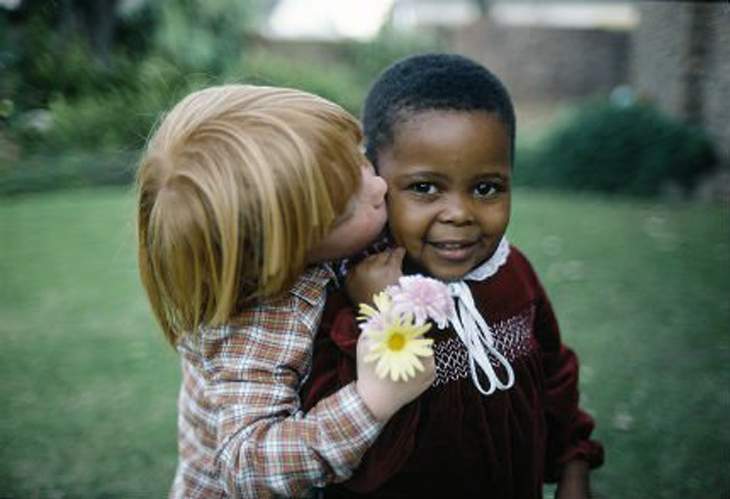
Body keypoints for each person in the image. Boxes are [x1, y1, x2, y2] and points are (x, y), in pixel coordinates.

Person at [300, 54, 604, 498]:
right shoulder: (351, 291)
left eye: (487, 188)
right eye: (425, 188)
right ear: (376, 178)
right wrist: (379, 317)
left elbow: (555, 376)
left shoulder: (514, 273)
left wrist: (574, 465)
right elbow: (346, 452)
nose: (460, 214)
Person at [135, 84, 435, 498]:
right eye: (347, 210)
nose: (379, 187)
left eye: (360, 158)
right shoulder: (256, 324)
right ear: (277, 253)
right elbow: (246, 467)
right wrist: (372, 399)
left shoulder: (321, 247)